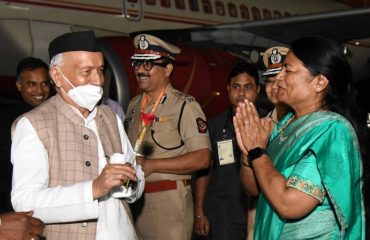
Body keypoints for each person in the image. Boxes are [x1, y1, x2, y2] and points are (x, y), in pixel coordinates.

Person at [11, 30, 144, 240]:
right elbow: (26, 202)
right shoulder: (32, 124)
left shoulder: (110, 116)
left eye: (100, 70)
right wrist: (93, 189)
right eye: (86, 71)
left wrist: (130, 184)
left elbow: (136, 172)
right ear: (57, 76)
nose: (98, 80)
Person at [234, 36, 366, 239]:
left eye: (288, 70)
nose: (279, 77)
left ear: (320, 82)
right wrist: (247, 154)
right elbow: (254, 189)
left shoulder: (330, 130)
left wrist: (258, 152)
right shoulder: (286, 124)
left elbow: (289, 204)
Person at [125, 34, 211, 240]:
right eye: (137, 63)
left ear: (168, 69)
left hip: (169, 201)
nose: (139, 70)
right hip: (135, 200)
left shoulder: (184, 106)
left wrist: (153, 165)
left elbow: (203, 158)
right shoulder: (133, 106)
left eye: (148, 64)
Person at [192, 62, 267, 240]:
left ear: (257, 89)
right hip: (222, 213)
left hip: (261, 212)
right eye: (236, 87)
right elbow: (204, 171)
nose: (241, 94)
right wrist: (199, 212)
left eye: (248, 87)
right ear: (227, 89)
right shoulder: (215, 125)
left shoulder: (268, 124)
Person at [0, 57, 52, 213]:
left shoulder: (56, 115)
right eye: (32, 84)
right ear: (19, 85)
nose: (40, 91)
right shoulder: (6, 120)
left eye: (44, 83)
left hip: (49, 197)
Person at [262, 47, 290, 126]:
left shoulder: (300, 121)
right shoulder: (264, 124)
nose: (274, 86)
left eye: (280, 81)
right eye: (270, 81)